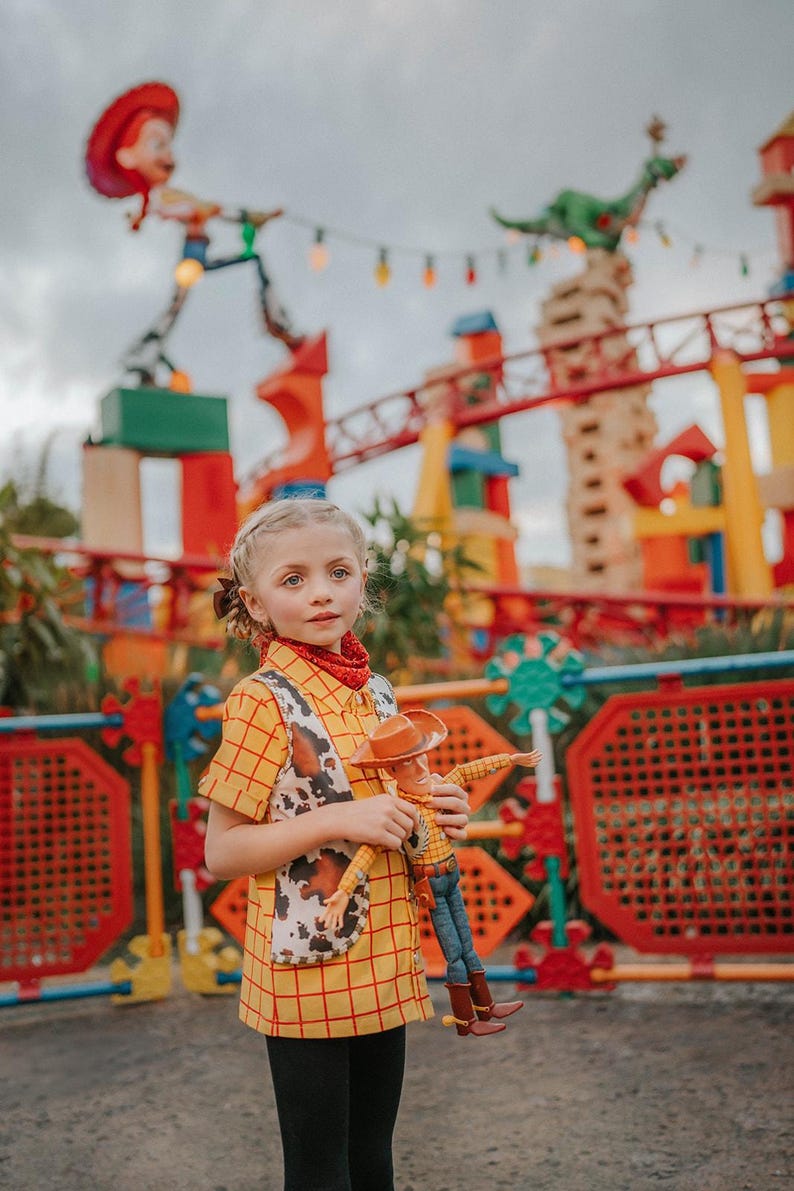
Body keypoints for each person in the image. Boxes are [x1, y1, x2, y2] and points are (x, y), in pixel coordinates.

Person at [201, 497, 470, 1191]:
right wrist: (338, 820)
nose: (321, 591)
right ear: (256, 604)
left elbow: (395, 803)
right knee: (320, 1169)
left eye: (338, 571)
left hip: (382, 956)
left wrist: (439, 807)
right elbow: (222, 852)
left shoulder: (375, 691)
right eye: (293, 579)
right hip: (305, 967)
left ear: (362, 579)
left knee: (374, 1156)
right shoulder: (261, 701)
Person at [321, 711, 540, 1037]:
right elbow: (369, 851)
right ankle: (466, 1020)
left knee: (468, 944)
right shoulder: (398, 810)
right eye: (408, 764)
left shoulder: (437, 790)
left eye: (421, 758)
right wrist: (344, 890)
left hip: (450, 876)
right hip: (430, 883)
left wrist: (511, 759)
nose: (422, 769)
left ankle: (486, 1005)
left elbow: (468, 770)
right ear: (392, 770)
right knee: (453, 952)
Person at [84, 81, 302, 384]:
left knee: (182, 304)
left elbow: (225, 212)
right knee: (174, 310)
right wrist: (197, 212)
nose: (170, 157)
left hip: (197, 260)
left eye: (168, 145)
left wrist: (260, 217)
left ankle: (277, 325)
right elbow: (169, 210)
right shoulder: (166, 199)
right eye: (157, 145)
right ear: (128, 156)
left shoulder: (182, 198)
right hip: (190, 262)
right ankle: (144, 357)